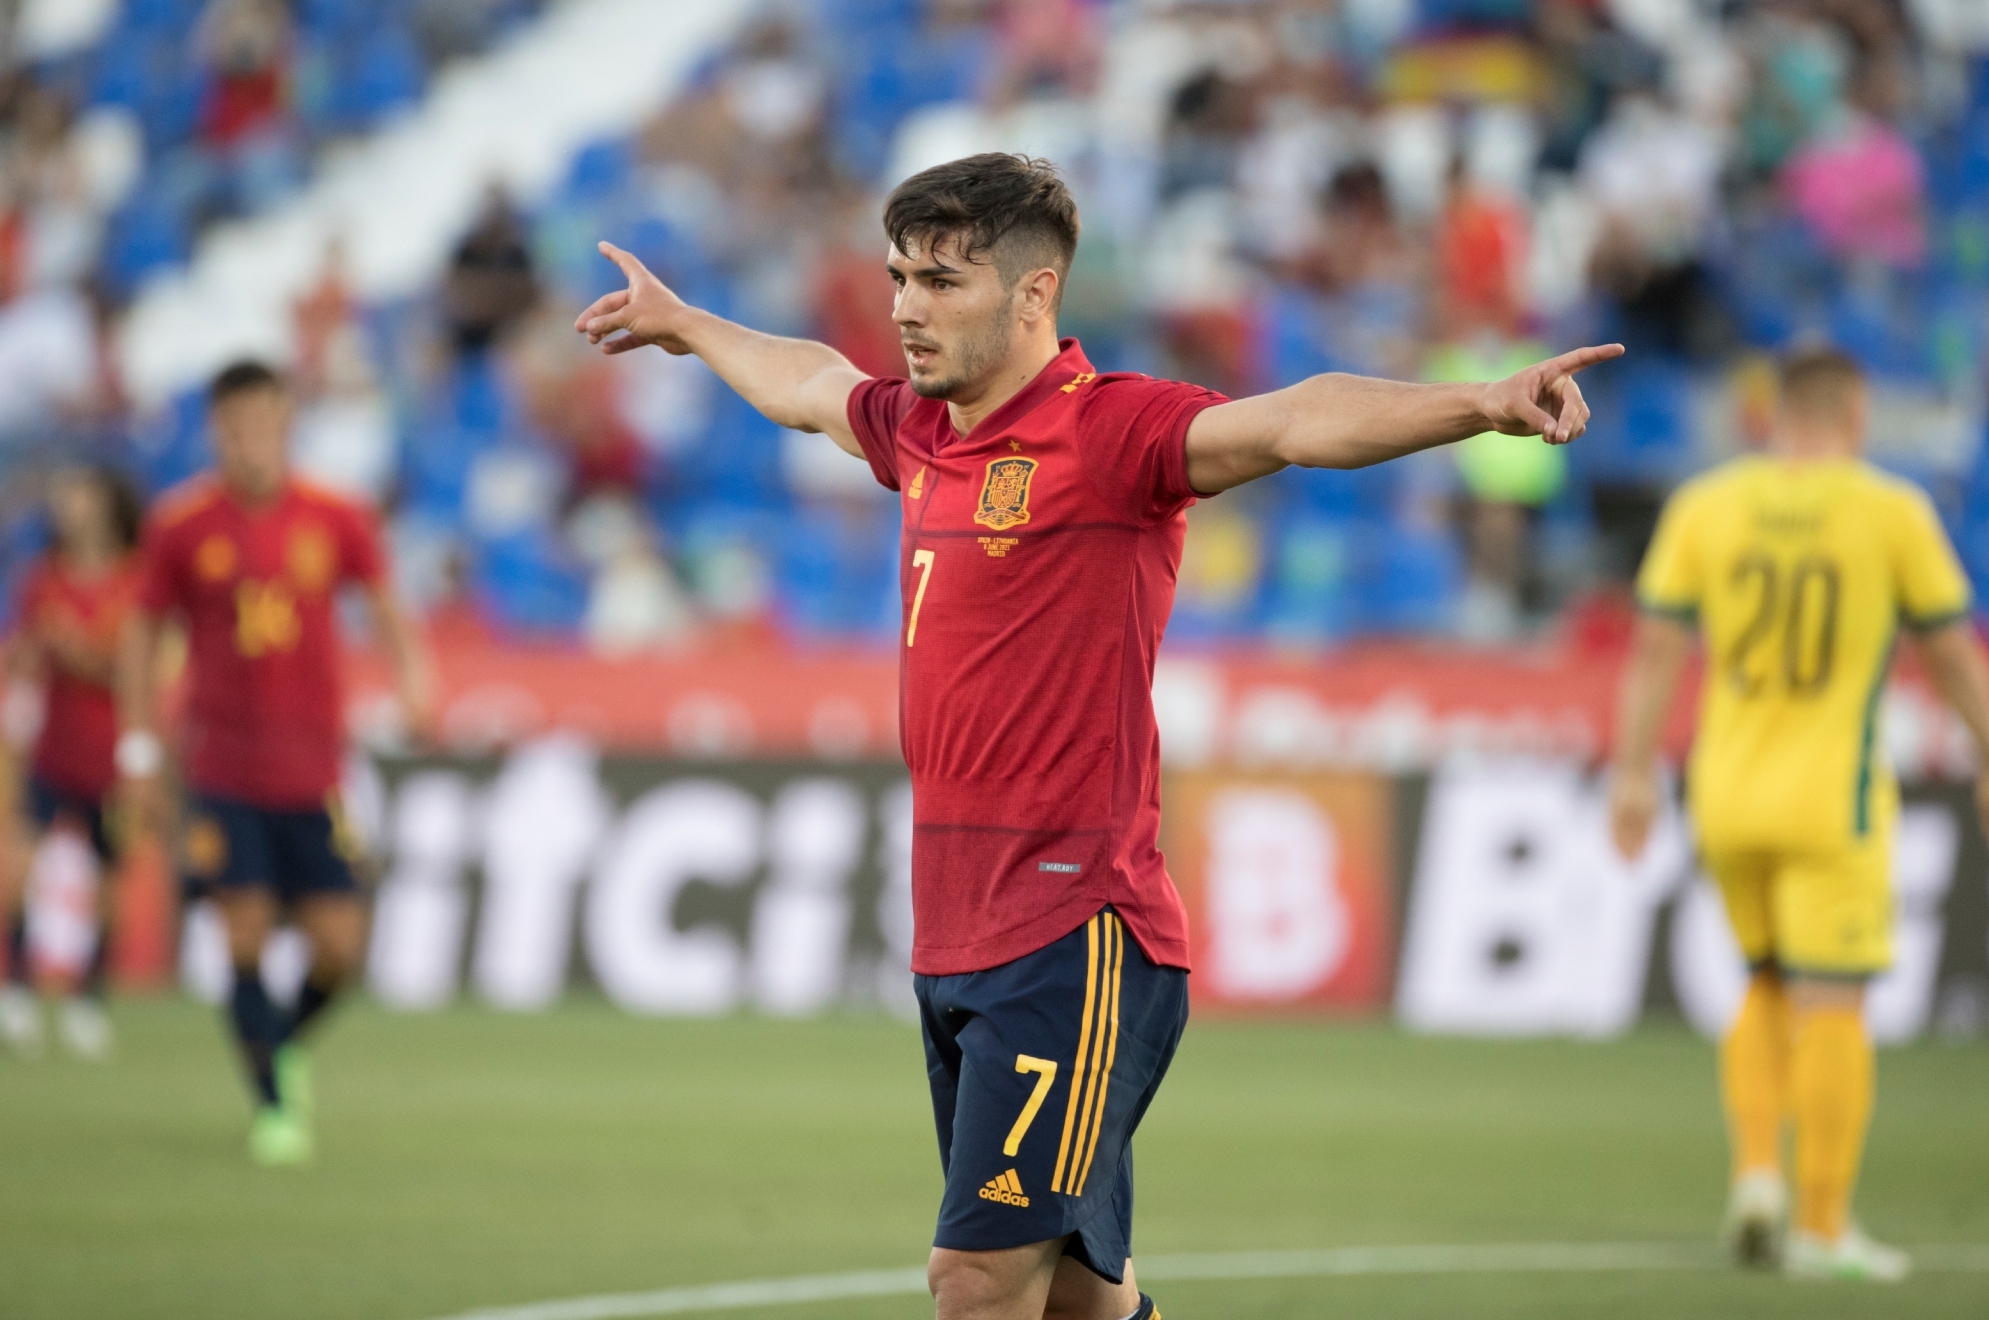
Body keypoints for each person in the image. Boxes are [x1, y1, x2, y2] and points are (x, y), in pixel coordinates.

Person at [578, 153, 1618, 1320]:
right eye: (898, 277)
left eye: (941, 281)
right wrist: (684, 325)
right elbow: (808, 382)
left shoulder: (1111, 431)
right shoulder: (922, 429)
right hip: (957, 925)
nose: (908, 309)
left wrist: (1475, 403)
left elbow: (1291, 421)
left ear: (1034, 296)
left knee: (975, 1281)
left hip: (1077, 926)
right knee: (1079, 1297)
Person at [1609, 346, 1989, 1282]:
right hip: (1833, 797)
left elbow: (1656, 649)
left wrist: (1629, 774)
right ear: (1854, 416)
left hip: (1726, 789)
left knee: (1765, 982)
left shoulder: (1707, 504)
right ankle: (1822, 1224)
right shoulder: (1889, 511)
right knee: (1833, 1003)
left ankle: (1754, 1177)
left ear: (1773, 416)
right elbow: (1946, 654)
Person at [118, 361, 434, 1167]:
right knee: (246, 927)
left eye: (265, 421)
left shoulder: (336, 514)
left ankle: (276, 1048)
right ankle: (271, 1106)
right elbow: (141, 637)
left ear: (287, 424)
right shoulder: (180, 523)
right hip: (222, 768)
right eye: (237, 425)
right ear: (217, 430)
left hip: (316, 772)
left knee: (338, 946)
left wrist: (413, 683)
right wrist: (142, 753)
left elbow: (386, 605)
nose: (252, 439)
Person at [0, 465, 145, 1060]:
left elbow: (135, 670)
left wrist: (76, 650)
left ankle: (90, 994)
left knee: (108, 880)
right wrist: (34, 652)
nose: (68, 506)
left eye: (81, 495)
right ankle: (18, 985)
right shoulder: (44, 578)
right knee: (23, 870)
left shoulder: (135, 583)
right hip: (53, 750)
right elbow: (21, 654)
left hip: (110, 755)